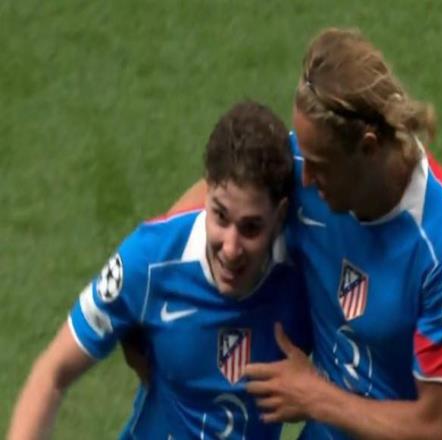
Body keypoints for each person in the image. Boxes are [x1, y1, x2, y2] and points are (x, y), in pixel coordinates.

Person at [162, 28, 442, 439]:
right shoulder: (305, 165)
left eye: (320, 165)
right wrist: (140, 290)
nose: (304, 179)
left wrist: (315, 397)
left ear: (368, 148)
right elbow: (210, 200)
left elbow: (438, 428)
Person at [7, 101, 311, 440]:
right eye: (221, 217)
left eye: (250, 228)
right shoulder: (151, 262)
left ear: (279, 217)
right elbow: (51, 374)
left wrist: (316, 394)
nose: (230, 248)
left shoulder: (303, 280)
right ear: (207, 192)